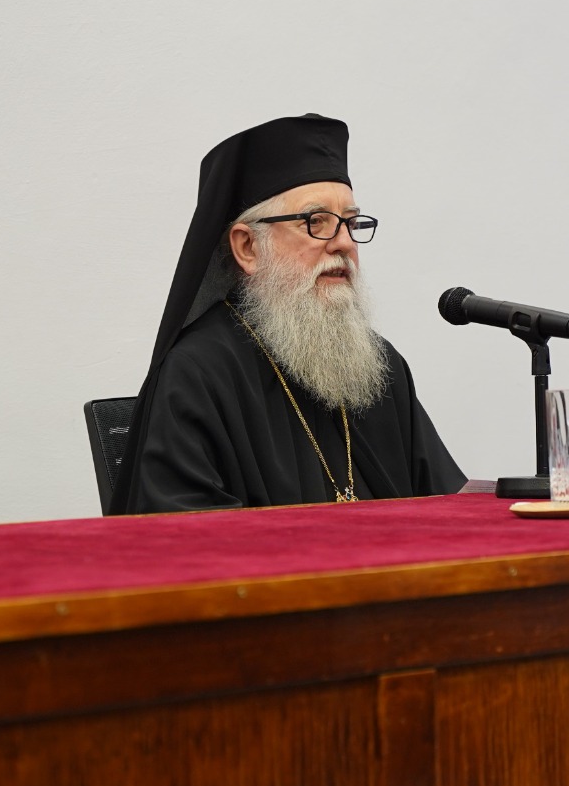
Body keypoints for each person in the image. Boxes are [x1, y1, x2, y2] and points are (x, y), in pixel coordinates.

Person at [109, 114, 465, 514]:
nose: (344, 243)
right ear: (247, 248)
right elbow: (190, 535)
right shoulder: (197, 373)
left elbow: (449, 506)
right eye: (316, 222)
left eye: (350, 223)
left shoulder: (382, 367)